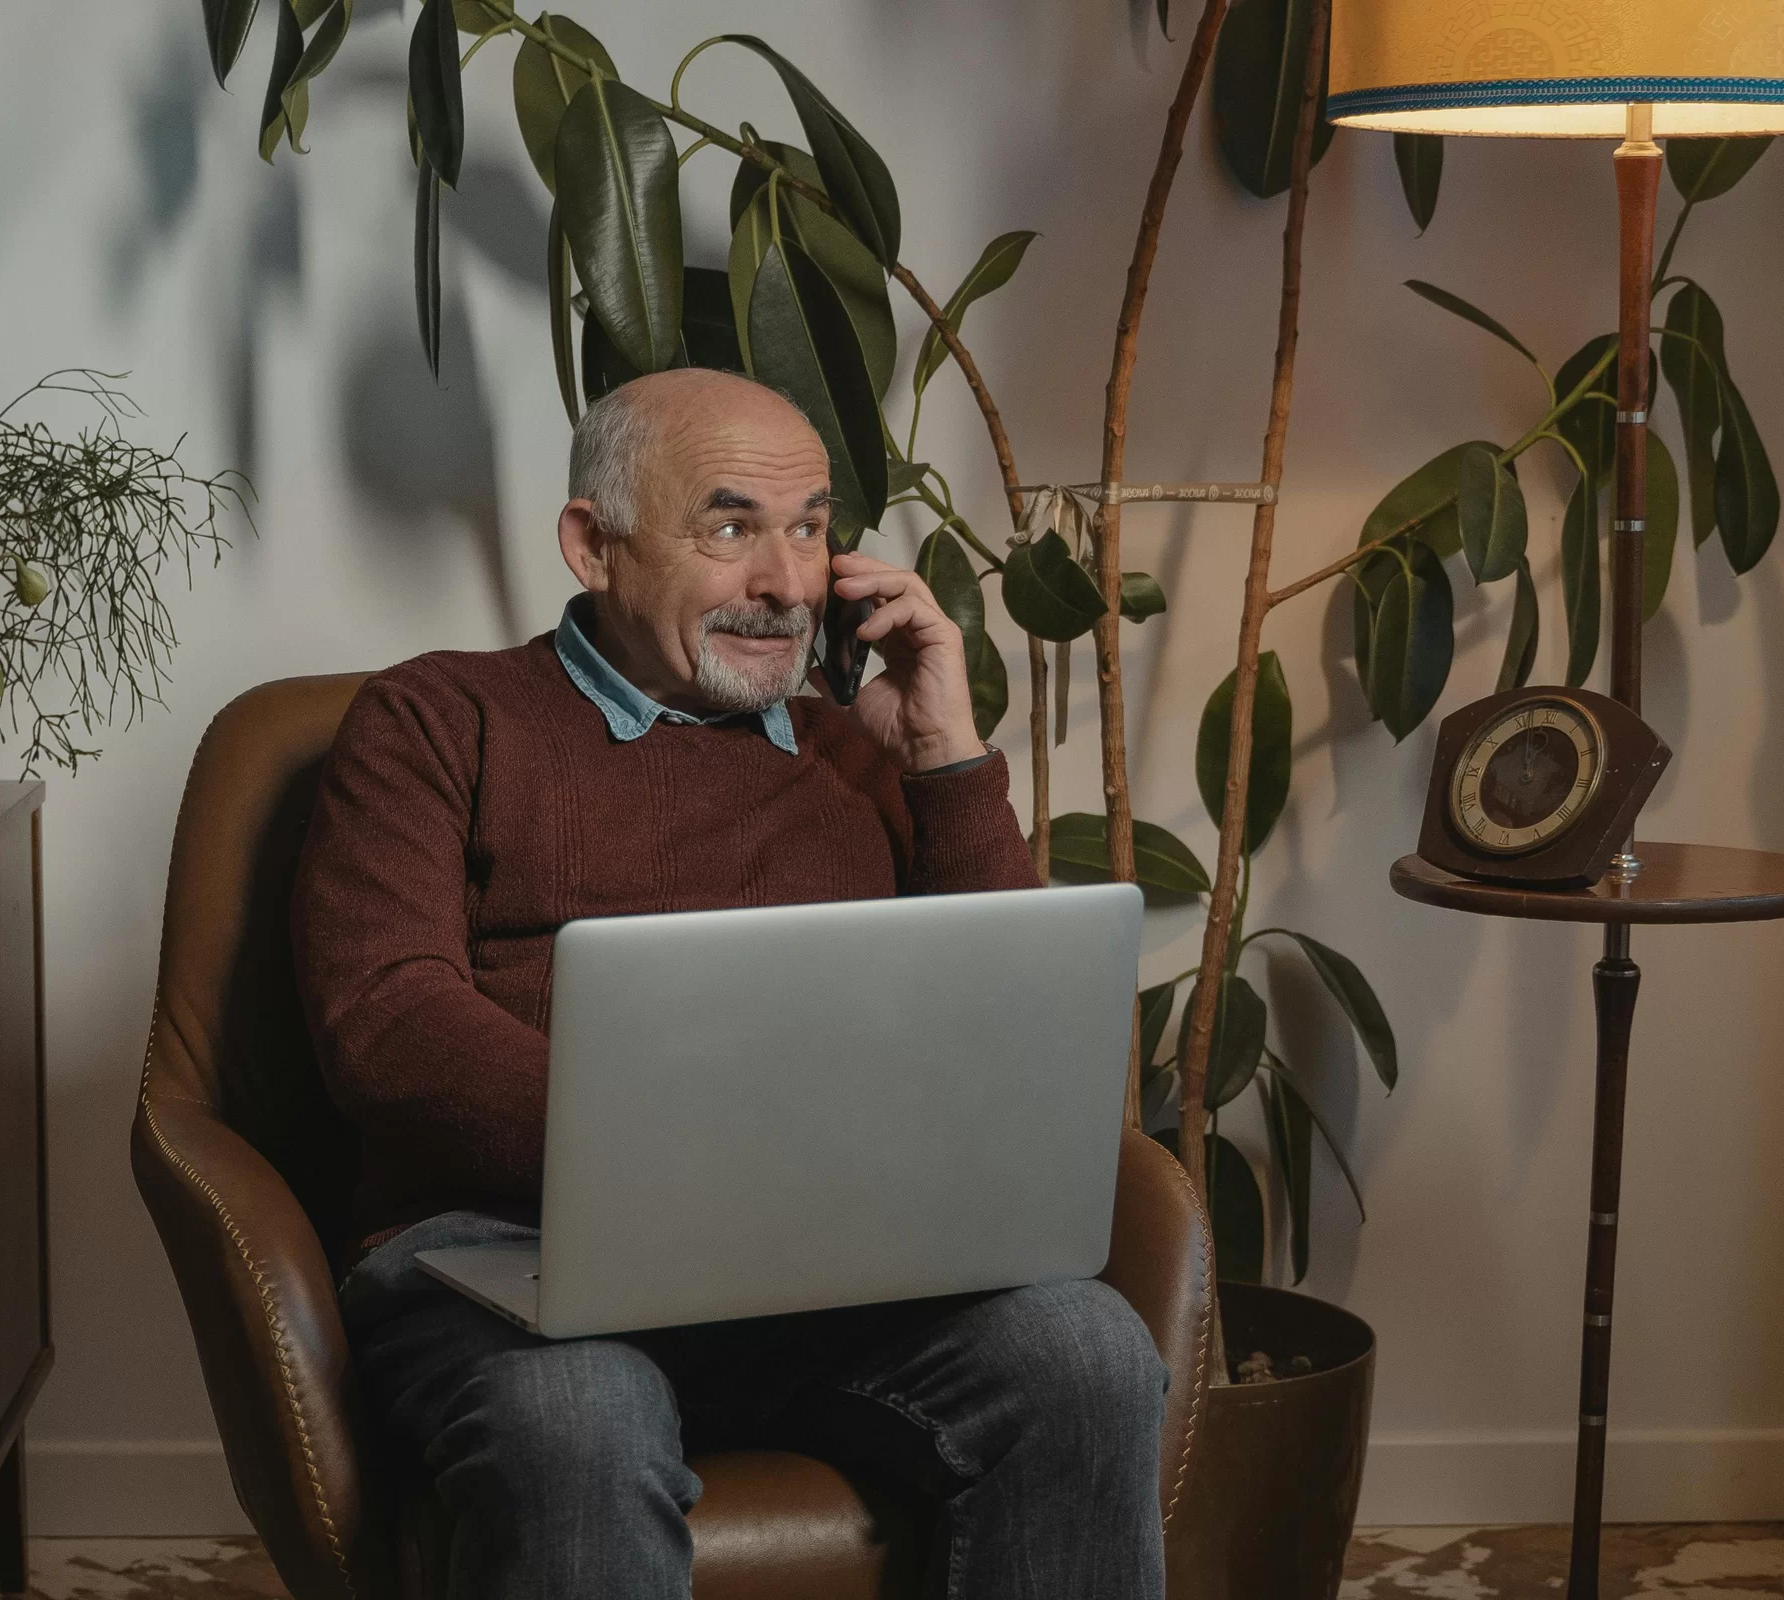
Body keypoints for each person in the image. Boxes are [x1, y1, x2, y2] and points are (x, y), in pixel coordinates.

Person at [293, 368, 1167, 1599]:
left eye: (810, 527)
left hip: (834, 1266)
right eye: (730, 526)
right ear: (593, 544)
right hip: (511, 1260)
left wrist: (943, 753)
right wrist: (691, 1156)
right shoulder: (439, 719)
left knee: (1087, 1353)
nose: (788, 583)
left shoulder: (854, 753)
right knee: (579, 1418)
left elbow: (1015, 1026)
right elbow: (384, 1018)